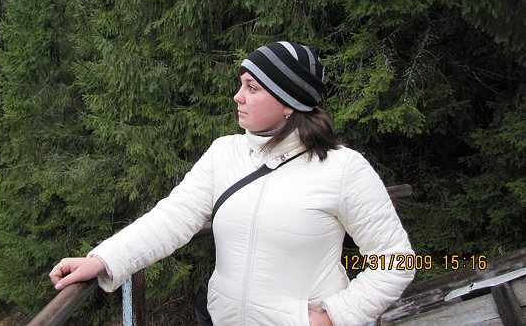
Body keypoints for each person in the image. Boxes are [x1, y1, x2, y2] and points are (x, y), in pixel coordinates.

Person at [49, 41, 415, 325]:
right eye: (241, 85)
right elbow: (172, 217)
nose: (238, 96)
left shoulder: (343, 169)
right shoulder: (224, 153)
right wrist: (104, 259)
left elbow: (396, 260)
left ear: (289, 103)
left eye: (252, 87)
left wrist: (333, 316)